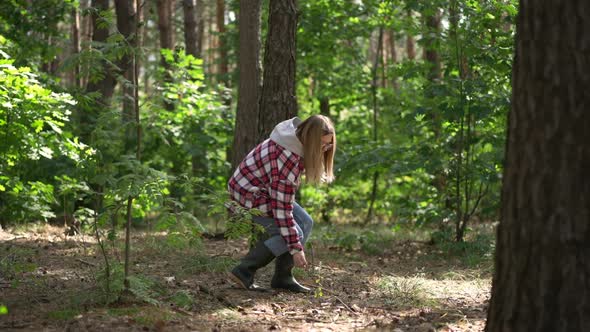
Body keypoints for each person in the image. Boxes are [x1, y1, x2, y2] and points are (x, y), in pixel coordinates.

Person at [227, 115, 336, 293]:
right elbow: (281, 211)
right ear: (309, 140)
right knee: (290, 233)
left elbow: (282, 201)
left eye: (328, 145)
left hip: (268, 192)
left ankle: (283, 277)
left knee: (306, 222)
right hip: (248, 194)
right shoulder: (288, 157)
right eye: (322, 145)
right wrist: (296, 249)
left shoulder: (295, 141)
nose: (325, 149)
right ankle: (243, 271)